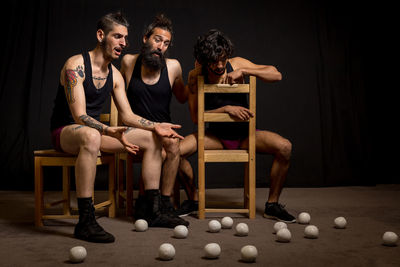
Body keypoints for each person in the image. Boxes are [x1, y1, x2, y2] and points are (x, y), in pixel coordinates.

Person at [49, 12, 187, 244]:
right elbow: (79, 115)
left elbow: (128, 115)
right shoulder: (75, 65)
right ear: (101, 35)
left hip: (96, 134)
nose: (123, 43)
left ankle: (152, 210)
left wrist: (157, 126)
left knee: (153, 138)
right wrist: (107, 130)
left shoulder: (114, 74)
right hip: (67, 132)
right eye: (117, 36)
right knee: (91, 135)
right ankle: (86, 220)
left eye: (125, 37)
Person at [179, 29, 296, 223]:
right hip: (214, 137)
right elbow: (195, 118)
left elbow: (277, 75)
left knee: (285, 147)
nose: (219, 65)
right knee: (175, 151)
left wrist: (245, 71)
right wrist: (226, 109)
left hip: (245, 136)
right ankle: (193, 199)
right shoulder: (196, 76)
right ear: (204, 59)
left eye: (223, 59)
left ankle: (272, 205)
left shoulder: (238, 64)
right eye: (213, 61)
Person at [120, 14, 191, 220]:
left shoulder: (174, 66)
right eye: (157, 40)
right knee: (158, 149)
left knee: (172, 145)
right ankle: (147, 203)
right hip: (135, 128)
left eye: (166, 43)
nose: (161, 46)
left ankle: (165, 203)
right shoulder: (128, 62)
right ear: (145, 39)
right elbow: (119, 97)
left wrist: (196, 80)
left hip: (164, 129)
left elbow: (182, 96)